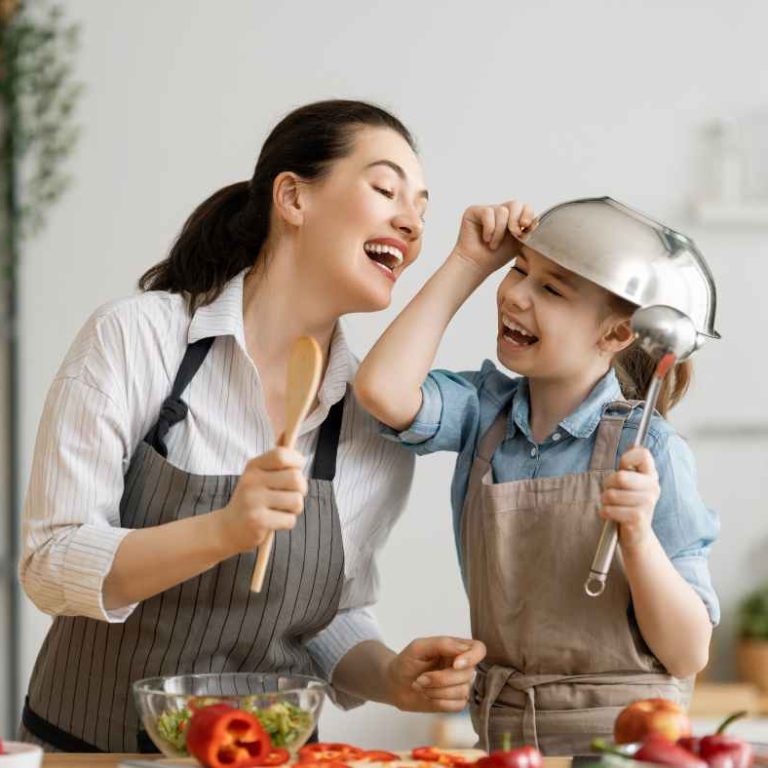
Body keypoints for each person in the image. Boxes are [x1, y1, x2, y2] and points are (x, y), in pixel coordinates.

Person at [18, 100, 485, 753]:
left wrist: (392, 678)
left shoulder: (372, 422)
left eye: (422, 210)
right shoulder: (136, 339)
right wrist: (222, 530)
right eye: (385, 189)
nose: (410, 222)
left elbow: (328, 615)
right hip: (94, 751)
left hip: (272, 755)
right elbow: (50, 563)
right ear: (292, 198)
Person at [354, 199, 720, 755]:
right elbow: (381, 391)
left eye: (552, 290)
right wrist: (468, 263)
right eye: (519, 269)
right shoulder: (483, 412)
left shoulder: (650, 450)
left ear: (619, 334)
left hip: (627, 750)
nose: (516, 295)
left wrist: (638, 537)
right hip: (505, 742)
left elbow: (689, 653)